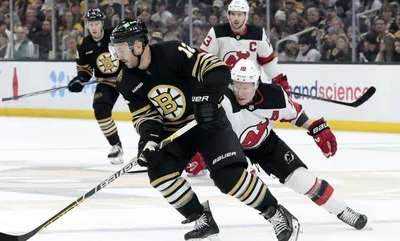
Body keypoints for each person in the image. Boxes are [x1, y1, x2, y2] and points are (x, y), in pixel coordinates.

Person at [111, 19, 300, 241]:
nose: (118, 55)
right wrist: (149, 141)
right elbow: (145, 115)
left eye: (121, 49)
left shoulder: (172, 52)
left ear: (139, 45)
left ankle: (277, 213)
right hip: (176, 132)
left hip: (208, 123)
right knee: (159, 172)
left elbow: (217, 69)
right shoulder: (125, 79)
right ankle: (202, 219)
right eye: (115, 50)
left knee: (228, 177)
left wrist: (207, 99)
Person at [222, 58, 368, 230]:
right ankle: (279, 219)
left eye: (245, 87)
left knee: (303, 180)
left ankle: (343, 211)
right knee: (250, 189)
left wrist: (315, 128)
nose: (240, 91)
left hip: (266, 144)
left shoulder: (274, 95)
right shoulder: (221, 98)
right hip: (230, 146)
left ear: (256, 84)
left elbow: (295, 115)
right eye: (237, 85)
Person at [186, 0, 291, 177]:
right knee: (217, 125)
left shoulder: (257, 34)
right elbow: (203, 60)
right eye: (233, 14)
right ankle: (205, 156)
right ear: (228, 15)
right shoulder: (217, 32)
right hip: (225, 91)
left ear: (246, 16)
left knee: (252, 128)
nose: (236, 18)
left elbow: (268, 62)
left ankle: (257, 159)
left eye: (240, 14)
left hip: (250, 91)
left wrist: (280, 80)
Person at [67, 8, 124, 164]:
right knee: (100, 109)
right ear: (86, 25)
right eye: (90, 24)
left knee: (143, 108)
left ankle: (153, 144)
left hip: (127, 78)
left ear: (102, 24)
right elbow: (85, 70)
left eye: (96, 23)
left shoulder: (115, 35)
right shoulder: (84, 45)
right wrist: (79, 80)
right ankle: (116, 146)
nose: (94, 27)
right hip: (106, 82)